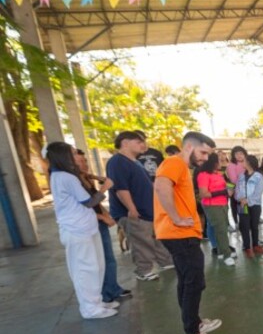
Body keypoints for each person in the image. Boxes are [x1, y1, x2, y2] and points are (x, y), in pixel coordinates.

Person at [154, 132, 225, 334]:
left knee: (187, 281)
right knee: (193, 282)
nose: (205, 158)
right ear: (188, 147)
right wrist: (175, 217)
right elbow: (161, 186)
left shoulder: (182, 167)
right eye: (203, 152)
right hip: (178, 232)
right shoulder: (174, 162)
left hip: (180, 233)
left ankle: (195, 322)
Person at [46, 142, 118, 319]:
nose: (76, 156)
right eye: (72, 153)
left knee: (96, 266)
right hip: (77, 230)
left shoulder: (63, 176)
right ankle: (90, 309)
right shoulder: (65, 177)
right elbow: (89, 202)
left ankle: (97, 301)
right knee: (85, 270)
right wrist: (105, 187)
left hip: (85, 228)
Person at [106, 130, 174, 281]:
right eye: (139, 142)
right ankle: (143, 270)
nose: (143, 145)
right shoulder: (118, 162)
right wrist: (132, 209)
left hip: (148, 210)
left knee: (156, 238)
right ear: (125, 143)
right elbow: (121, 189)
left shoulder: (134, 162)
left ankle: (165, 261)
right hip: (134, 212)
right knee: (141, 241)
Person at [75, 149, 131, 304]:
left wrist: (94, 177)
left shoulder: (84, 179)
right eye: (79, 161)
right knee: (100, 260)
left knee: (109, 258)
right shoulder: (74, 182)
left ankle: (112, 288)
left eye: (84, 161)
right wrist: (102, 216)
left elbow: (96, 202)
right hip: (91, 223)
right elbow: (85, 205)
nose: (84, 164)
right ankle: (105, 294)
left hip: (99, 221)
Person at [197, 154, 236, 266]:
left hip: (223, 204)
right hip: (212, 206)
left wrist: (229, 188)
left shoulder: (218, 174)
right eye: (220, 160)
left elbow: (224, 186)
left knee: (220, 228)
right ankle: (226, 254)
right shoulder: (203, 175)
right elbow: (203, 194)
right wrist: (223, 192)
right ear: (213, 162)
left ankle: (221, 251)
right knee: (221, 230)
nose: (222, 162)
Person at [234, 154, 263, 258]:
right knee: (244, 226)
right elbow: (237, 190)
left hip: (255, 204)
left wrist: (248, 200)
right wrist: (240, 199)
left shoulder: (259, 176)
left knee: (254, 225)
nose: (242, 162)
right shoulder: (241, 176)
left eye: (244, 161)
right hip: (242, 205)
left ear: (249, 163)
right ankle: (247, 247)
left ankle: (256, 245)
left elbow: (259, 191)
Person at [226, 146, 248, 227]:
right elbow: (234, 179)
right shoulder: (231, 165)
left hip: (247, 190)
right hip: (236, 191)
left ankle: (244, 222)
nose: (239, 155)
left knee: (246, 207)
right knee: (236, 206)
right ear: (233, 155)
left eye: (241, 153)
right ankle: (237, 222)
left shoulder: (247, 163)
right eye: (237, 154)